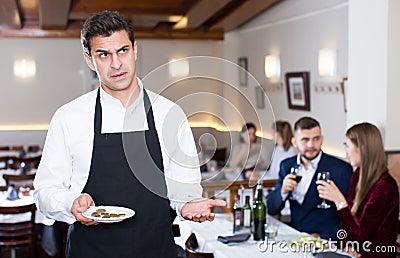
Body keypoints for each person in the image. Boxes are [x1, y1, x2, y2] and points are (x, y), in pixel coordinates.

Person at [33, 10, 225, 258]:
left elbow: (183, 189)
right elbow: (44, 192)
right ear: (90, 60)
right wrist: (70, 202)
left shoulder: (170, 114)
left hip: (155, 248)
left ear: (135, 50)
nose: (116, 64)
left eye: (122, 51)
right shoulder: (69, 117)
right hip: (91, 250)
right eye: (103, 54)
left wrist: (188, 203)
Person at [317, 122, 399, 257]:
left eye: (348, 146)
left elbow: (361, 234)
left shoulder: (385, 187)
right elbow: (348, 224)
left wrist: (340, 202)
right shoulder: (357, 175)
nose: (346, 151)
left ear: (362, 148)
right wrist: (347, 245)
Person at [267, 116, 353, 239]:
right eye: (305, 140)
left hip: (327, 242)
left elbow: (349, 217)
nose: (311, 144)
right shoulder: (286, 166)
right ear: (294, 142)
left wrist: (322, 236)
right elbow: (272, 208)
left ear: (322, 140)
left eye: (316, 139)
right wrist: (282, 192)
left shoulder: (341, 169)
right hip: (296, 238)